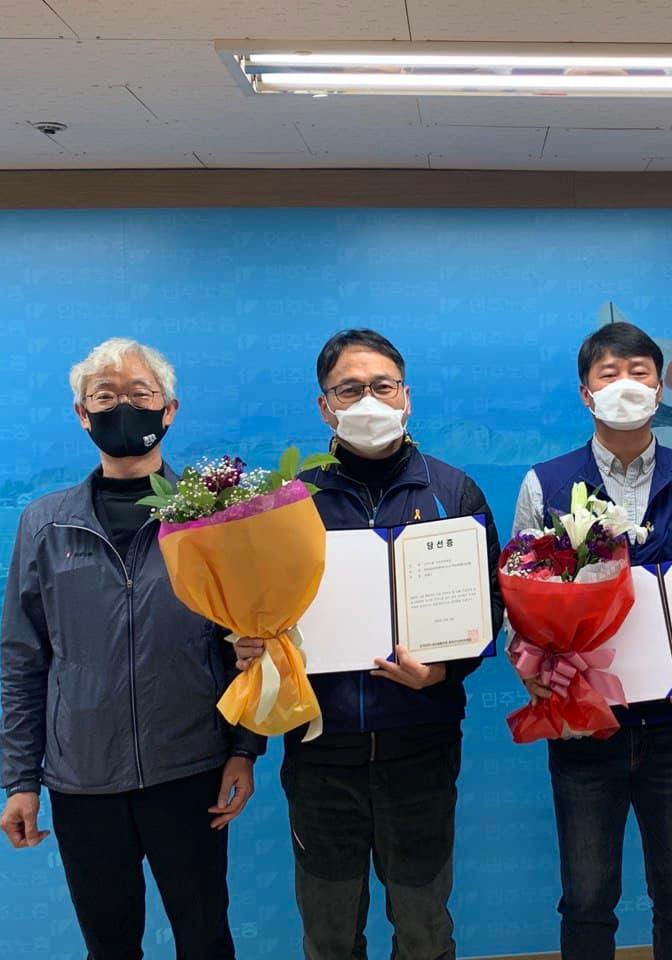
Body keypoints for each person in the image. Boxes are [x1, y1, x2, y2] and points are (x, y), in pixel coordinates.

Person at [234, 328, 503, 960]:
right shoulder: (289, 502)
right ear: (324, 406)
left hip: (422, 750)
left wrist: (442, 672)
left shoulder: (453, 491)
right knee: (329, 936)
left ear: (407, 396)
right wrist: (248, 645)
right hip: (320, 756)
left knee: (424, 930)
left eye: (383, 386)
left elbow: (490, 606)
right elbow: (257, 616)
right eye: (349, 390)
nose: (369, 401)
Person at [0, 337, 264, 960]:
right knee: (110, 947)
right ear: (81, 413)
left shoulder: (211, 517)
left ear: (169, 409)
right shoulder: (45, 524)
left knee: (206, 940)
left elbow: (249, 646)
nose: (124, 407)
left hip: (191, 769)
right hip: (82, 780)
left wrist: (245, 750)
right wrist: (20, 779)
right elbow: (23, 662)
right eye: (105, 396)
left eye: (141, 394)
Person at [510, 320, 672, 960]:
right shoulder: (545, 484)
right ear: (586, 393)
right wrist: (532, 668)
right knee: (587, 899)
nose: (626, 385)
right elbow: (519, 600)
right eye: (608, 374)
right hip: (584, 726)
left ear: (660, 388)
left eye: (639, 373)